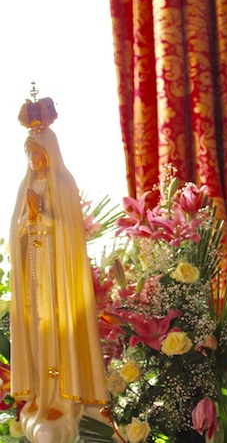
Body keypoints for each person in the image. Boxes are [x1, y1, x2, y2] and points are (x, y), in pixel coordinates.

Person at [10, 98, 109, 442]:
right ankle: (40, 396)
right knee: (39, 334)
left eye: (38, 154)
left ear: (50, 151)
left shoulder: (64, 184)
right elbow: (18, 232)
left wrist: (43, 217)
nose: (34, 161)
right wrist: (28, 219)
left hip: (58, 279)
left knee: (59, 334)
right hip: (35, 276)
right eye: (30, 155)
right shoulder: (26, 187)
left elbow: (69, 233)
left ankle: (63, 402)